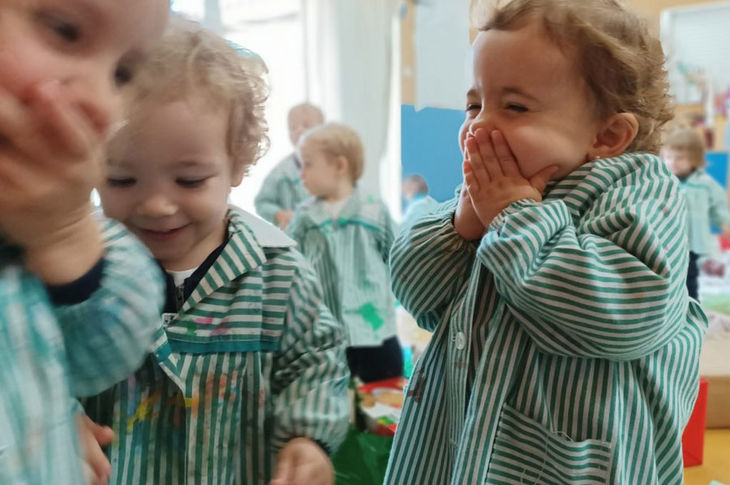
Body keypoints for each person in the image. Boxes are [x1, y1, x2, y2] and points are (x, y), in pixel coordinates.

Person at [385, 1, 706, 483]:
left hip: (569, 461)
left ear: (609, 134)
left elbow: (629, 315)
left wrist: (514, 216)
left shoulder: (638, 188)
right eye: (475, 103)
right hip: (456, 445)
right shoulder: (489, 194)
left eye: (514, 107)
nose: (479, 125)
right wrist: (462, 225)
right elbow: (419, 295)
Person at [82, 19, 349, 485]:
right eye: (121, 179)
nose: (157, 205)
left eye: (189, 180)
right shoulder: (74, 274)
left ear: (238, 164)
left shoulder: (278, 274)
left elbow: (316, 362)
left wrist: (308, 439)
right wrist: (57, 418)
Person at [0, 1, 168, 484]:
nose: (103, 104)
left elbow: (106, 356)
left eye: (122, 73)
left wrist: (64, 232)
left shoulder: (36, 221)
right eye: (64, 31)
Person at [288, 123, 403, 383]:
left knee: (382, 397)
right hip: (324, 333)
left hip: (374, 330)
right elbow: (290, 264)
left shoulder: (373, 209)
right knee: (330, 398)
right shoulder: (306, 216)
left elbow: (398, 257)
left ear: (340, 166)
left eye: (308, 165)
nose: (301, 174)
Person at [662, 127, 730, 300]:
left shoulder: (706, 184)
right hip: (668, 241)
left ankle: (691, 309)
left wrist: (725, 223)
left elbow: (718, 207)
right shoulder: (663, 182)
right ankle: (671, 306)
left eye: (680, 158)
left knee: (690, 279)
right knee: (668, 277)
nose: (673, 162)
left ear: (695, 160)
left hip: (693, 243)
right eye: (669, 157)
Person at [255, 103, 324, 229]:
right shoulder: (280, 173)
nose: (298, 130)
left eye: (306, 125)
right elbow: (261, 202)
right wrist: (279, 214)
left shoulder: (333, 167)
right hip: (295, 238)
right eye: (293, 127)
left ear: (323, 130)